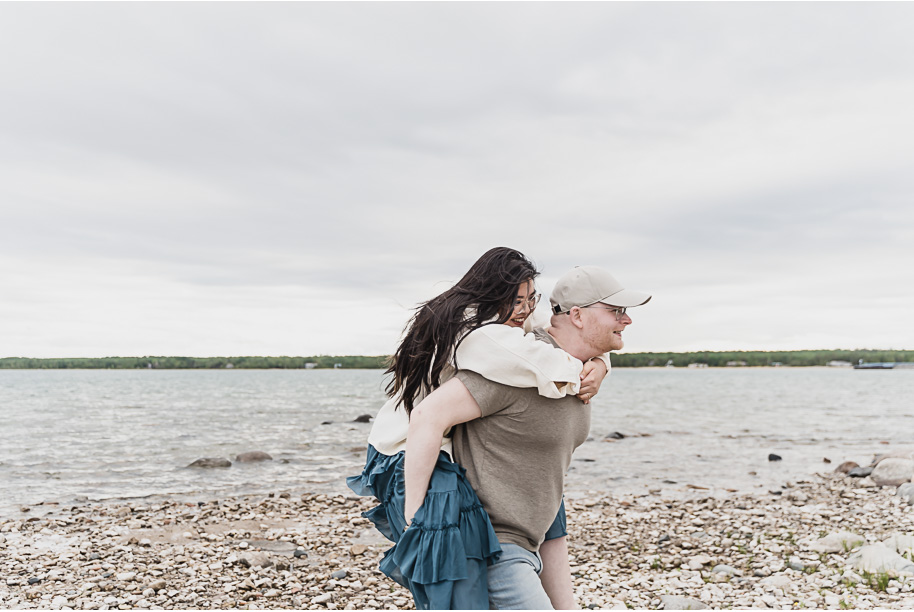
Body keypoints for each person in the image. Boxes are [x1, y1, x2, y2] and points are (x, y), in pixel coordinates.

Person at [347, 248, 610, 609]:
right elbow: (541, 358)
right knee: (445, 539)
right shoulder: (478, 333)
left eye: (531, 298)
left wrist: (601, 360)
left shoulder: (506, 323)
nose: (526, 310)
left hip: (437, 441)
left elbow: (552, 339)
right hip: (402, 447)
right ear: (489, 297)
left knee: (542, 488)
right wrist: (414, 516)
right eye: (515, 301)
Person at [404, 265, 651, 609]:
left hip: (534, 539)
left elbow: (550, 487)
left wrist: (602, 363)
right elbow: (428, 416)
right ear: (577, 316)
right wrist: (412, 523)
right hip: (492, 545)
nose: (627, 320)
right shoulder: (514, 366)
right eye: (616, 311)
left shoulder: (574, 369)